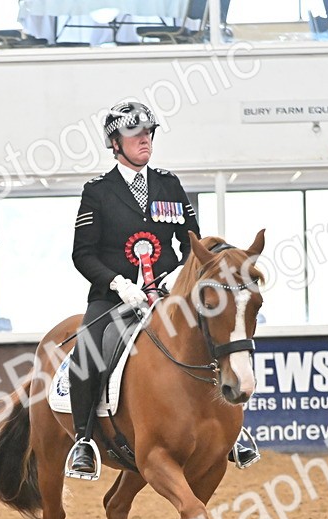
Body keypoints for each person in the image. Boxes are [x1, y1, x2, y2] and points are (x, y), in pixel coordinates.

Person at [65, 99, 259, 479]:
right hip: (113, 297)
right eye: (135, 135)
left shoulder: (169, 184)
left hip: (169, 292)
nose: (145, 140)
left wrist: (177, 279)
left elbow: (194, 247)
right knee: (88, 350)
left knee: (212, 336)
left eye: (148, 134)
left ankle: (230, 433)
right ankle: (84, 440)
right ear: (115, 144)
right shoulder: (98, 193)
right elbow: (82, 254)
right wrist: (117, 283)